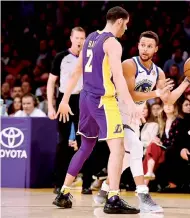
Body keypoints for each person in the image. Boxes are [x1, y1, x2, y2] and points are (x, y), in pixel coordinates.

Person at [53, 6, 142, 214]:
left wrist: (65, 99)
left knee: (86, 146)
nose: (126, 29)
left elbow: (77, 70)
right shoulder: (113, 43)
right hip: (103, 100)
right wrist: (130, 104)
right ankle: (113, 198)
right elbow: (118, 77)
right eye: (126, 24)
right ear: (119, 21)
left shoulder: (91, 37)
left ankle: (64, 193)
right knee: (118, 148)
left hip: (84, 97)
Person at [94, 31, 190, 212]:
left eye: (149, 46)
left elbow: (168, 100)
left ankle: (105, 189)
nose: (145, 49)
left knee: (128, 157)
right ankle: (143, 195)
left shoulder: (158, 72)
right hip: (116, 111)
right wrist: (156, 93)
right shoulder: (129, 65)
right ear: (138, 45)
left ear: (155, 49)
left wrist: (186, 82)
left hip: (133, 116)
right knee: (137, 148)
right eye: (142, 45)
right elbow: (130, 93)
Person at [46, 27, 89, 194]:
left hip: (83, 99)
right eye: (77, 37)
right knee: (63, 142)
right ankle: (59, 183)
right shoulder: (61, 57)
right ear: (71, 38)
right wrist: (51, 106)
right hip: (65, 99)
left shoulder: (88, 58)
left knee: (85, 141)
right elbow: (51, 83)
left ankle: (86, 183)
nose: (79, 41)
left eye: (82, 38)